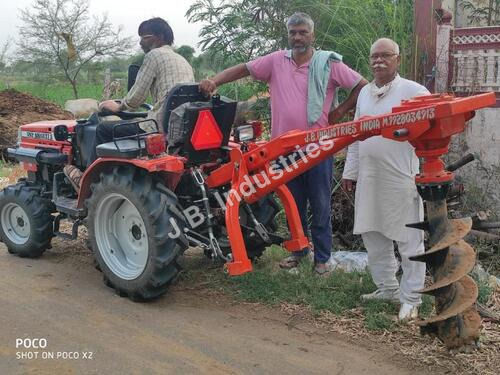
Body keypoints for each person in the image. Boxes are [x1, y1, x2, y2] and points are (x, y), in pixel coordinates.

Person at [200, 12, 367, 275]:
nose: (298, 37)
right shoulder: (276, 61)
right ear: (288, 35)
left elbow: (361, 85)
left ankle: (322, 258)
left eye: (303, 32)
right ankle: (298, 252)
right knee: (293, 202)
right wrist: (215, 80)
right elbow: (245, 68)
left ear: (313, 35)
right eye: (293, 32)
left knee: (320, 203)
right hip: (284, 150)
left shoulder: (328, 64)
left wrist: (340, 111)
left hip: (318, 147)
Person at [341, 38, 429, 321]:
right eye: (374, 56)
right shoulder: (365, 93)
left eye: (385, 56)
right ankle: (387, 288)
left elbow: (431, 131)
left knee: (409, 239)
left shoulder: (414, 91)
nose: (379, 61)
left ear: (398, 59)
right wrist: (350, 172)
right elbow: (355, 136)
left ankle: (411, 298)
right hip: (369, 176)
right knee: (372, 234)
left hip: (401, 177)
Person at [64, 17, 195, 190]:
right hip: (181, 126)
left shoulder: (154, 55)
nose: (141, 42)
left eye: (145, 36)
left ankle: (87, 181)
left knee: (103, 129)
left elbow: (136, 98)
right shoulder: (182, 60)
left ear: (160, 37)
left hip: (160, 126)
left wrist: (118, 106)